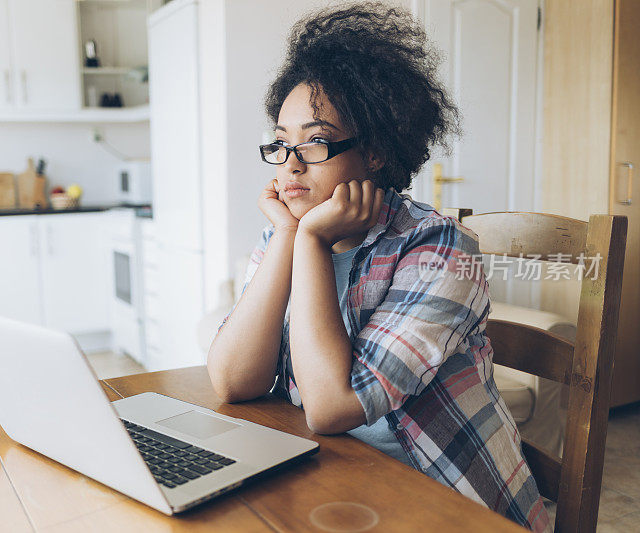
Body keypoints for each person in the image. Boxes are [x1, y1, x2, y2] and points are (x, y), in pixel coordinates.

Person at [206, 3, 550, 532]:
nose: (291, 163)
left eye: (315, 141)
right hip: (338, 475)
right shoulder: (289, 233)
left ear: (375, 153)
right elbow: (232, 381)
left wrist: (313, 240)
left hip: (448, 499)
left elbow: (329, 407)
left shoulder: (438, 248)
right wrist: (291, 237)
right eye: (281, 142)